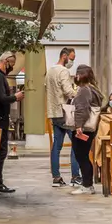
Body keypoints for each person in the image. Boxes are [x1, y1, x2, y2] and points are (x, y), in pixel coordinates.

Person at [0, 52, 21, 193]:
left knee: (1, 150)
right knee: (0, 150)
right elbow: (2, 98)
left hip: (0, 117)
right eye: (12, 64)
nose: (12, 68)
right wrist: (15, 97)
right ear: (6, 61)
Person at [44, 47, 78, 188]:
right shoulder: (63, 71)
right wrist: (78, 91)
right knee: (76, 144)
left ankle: (56, 177)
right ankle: (76, 176)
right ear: (64, 56)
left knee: (56, 147)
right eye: (71, 58)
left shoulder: (50, 71)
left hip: (54, 112)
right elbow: (68, 91)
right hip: (65, 112)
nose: (72, 61)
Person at [68, 65, 104, 195]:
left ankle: (87, 185)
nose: (75, 76)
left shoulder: (84, 90)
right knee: (83, 154)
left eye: (78, 73)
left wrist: (78, 126)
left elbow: (81, 109)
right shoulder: (93, 89)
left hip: (83, 128)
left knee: (81, 155)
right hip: (89, 128)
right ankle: (87, 184)